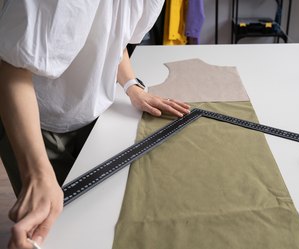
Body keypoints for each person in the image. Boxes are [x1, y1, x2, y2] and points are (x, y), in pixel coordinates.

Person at [0, 1, 190, 248]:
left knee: (94, 218)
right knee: (54, 228)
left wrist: (132, 86)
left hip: (91, 113)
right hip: (34, 118)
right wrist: (37, 173)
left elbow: (112, 35)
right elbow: (12, 69)